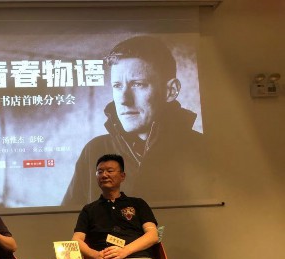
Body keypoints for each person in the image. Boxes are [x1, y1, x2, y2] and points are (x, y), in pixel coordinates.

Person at [63, 35, 204, 206]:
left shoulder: (204, 151)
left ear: (171, 91)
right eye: (117, 86)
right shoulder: (94, 151)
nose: (123, 100)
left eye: (138, 84)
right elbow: (67, 219)